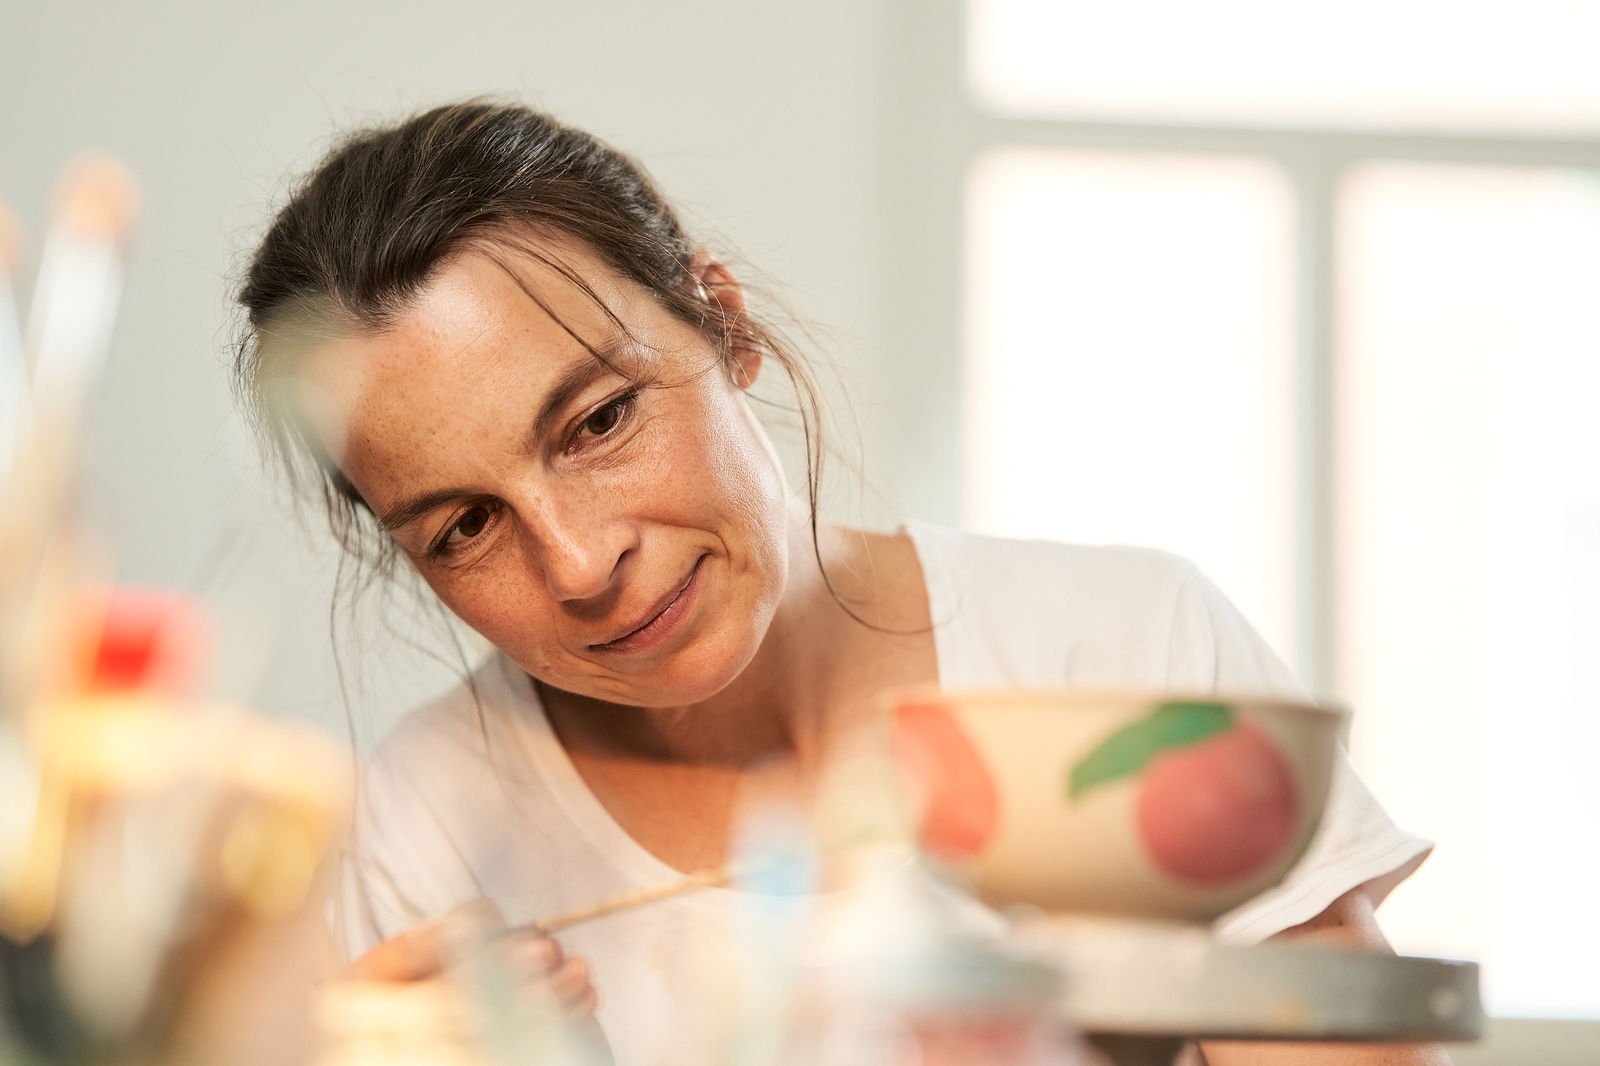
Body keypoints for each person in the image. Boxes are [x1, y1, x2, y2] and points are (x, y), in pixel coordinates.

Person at [236, 101, 1445, 1066]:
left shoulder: (1122, 650)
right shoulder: (435, 818)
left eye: (599, 420)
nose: (580, 563)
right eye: (464, 526)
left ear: (726, 325)